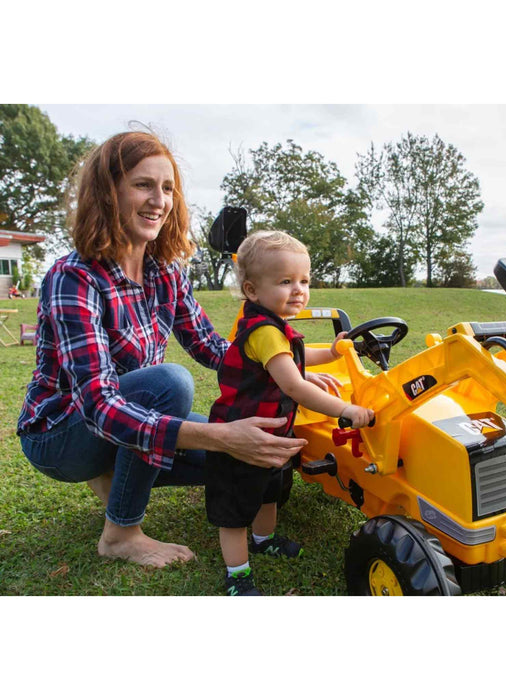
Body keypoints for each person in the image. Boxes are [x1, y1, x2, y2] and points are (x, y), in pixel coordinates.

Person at [16, 131, 308, 570]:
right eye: (142, 185)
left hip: (123, 419)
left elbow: (214, 349)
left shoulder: (164, 271)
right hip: (61, 434)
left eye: (167, 188)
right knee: (170, 384)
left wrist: (286, 365)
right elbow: (99, 405)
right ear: (108, 192)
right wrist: (220, 434)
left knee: (233, 459)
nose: (159, 200)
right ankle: (121, 533)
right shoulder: (72, 278)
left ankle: (114, 473)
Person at [206, 230, 374, 596]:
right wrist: (346, 410)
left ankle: (263, 539)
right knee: (234, 512)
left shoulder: (277, 329)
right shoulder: (263, 332)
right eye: (285, 281)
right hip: (240, 439)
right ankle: (237, 574)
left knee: (270, 492)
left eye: (304, 280)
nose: (299, 290)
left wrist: (330, 353)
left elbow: (294, 357)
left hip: (270, 438)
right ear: (252, 291)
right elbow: (295, 386)